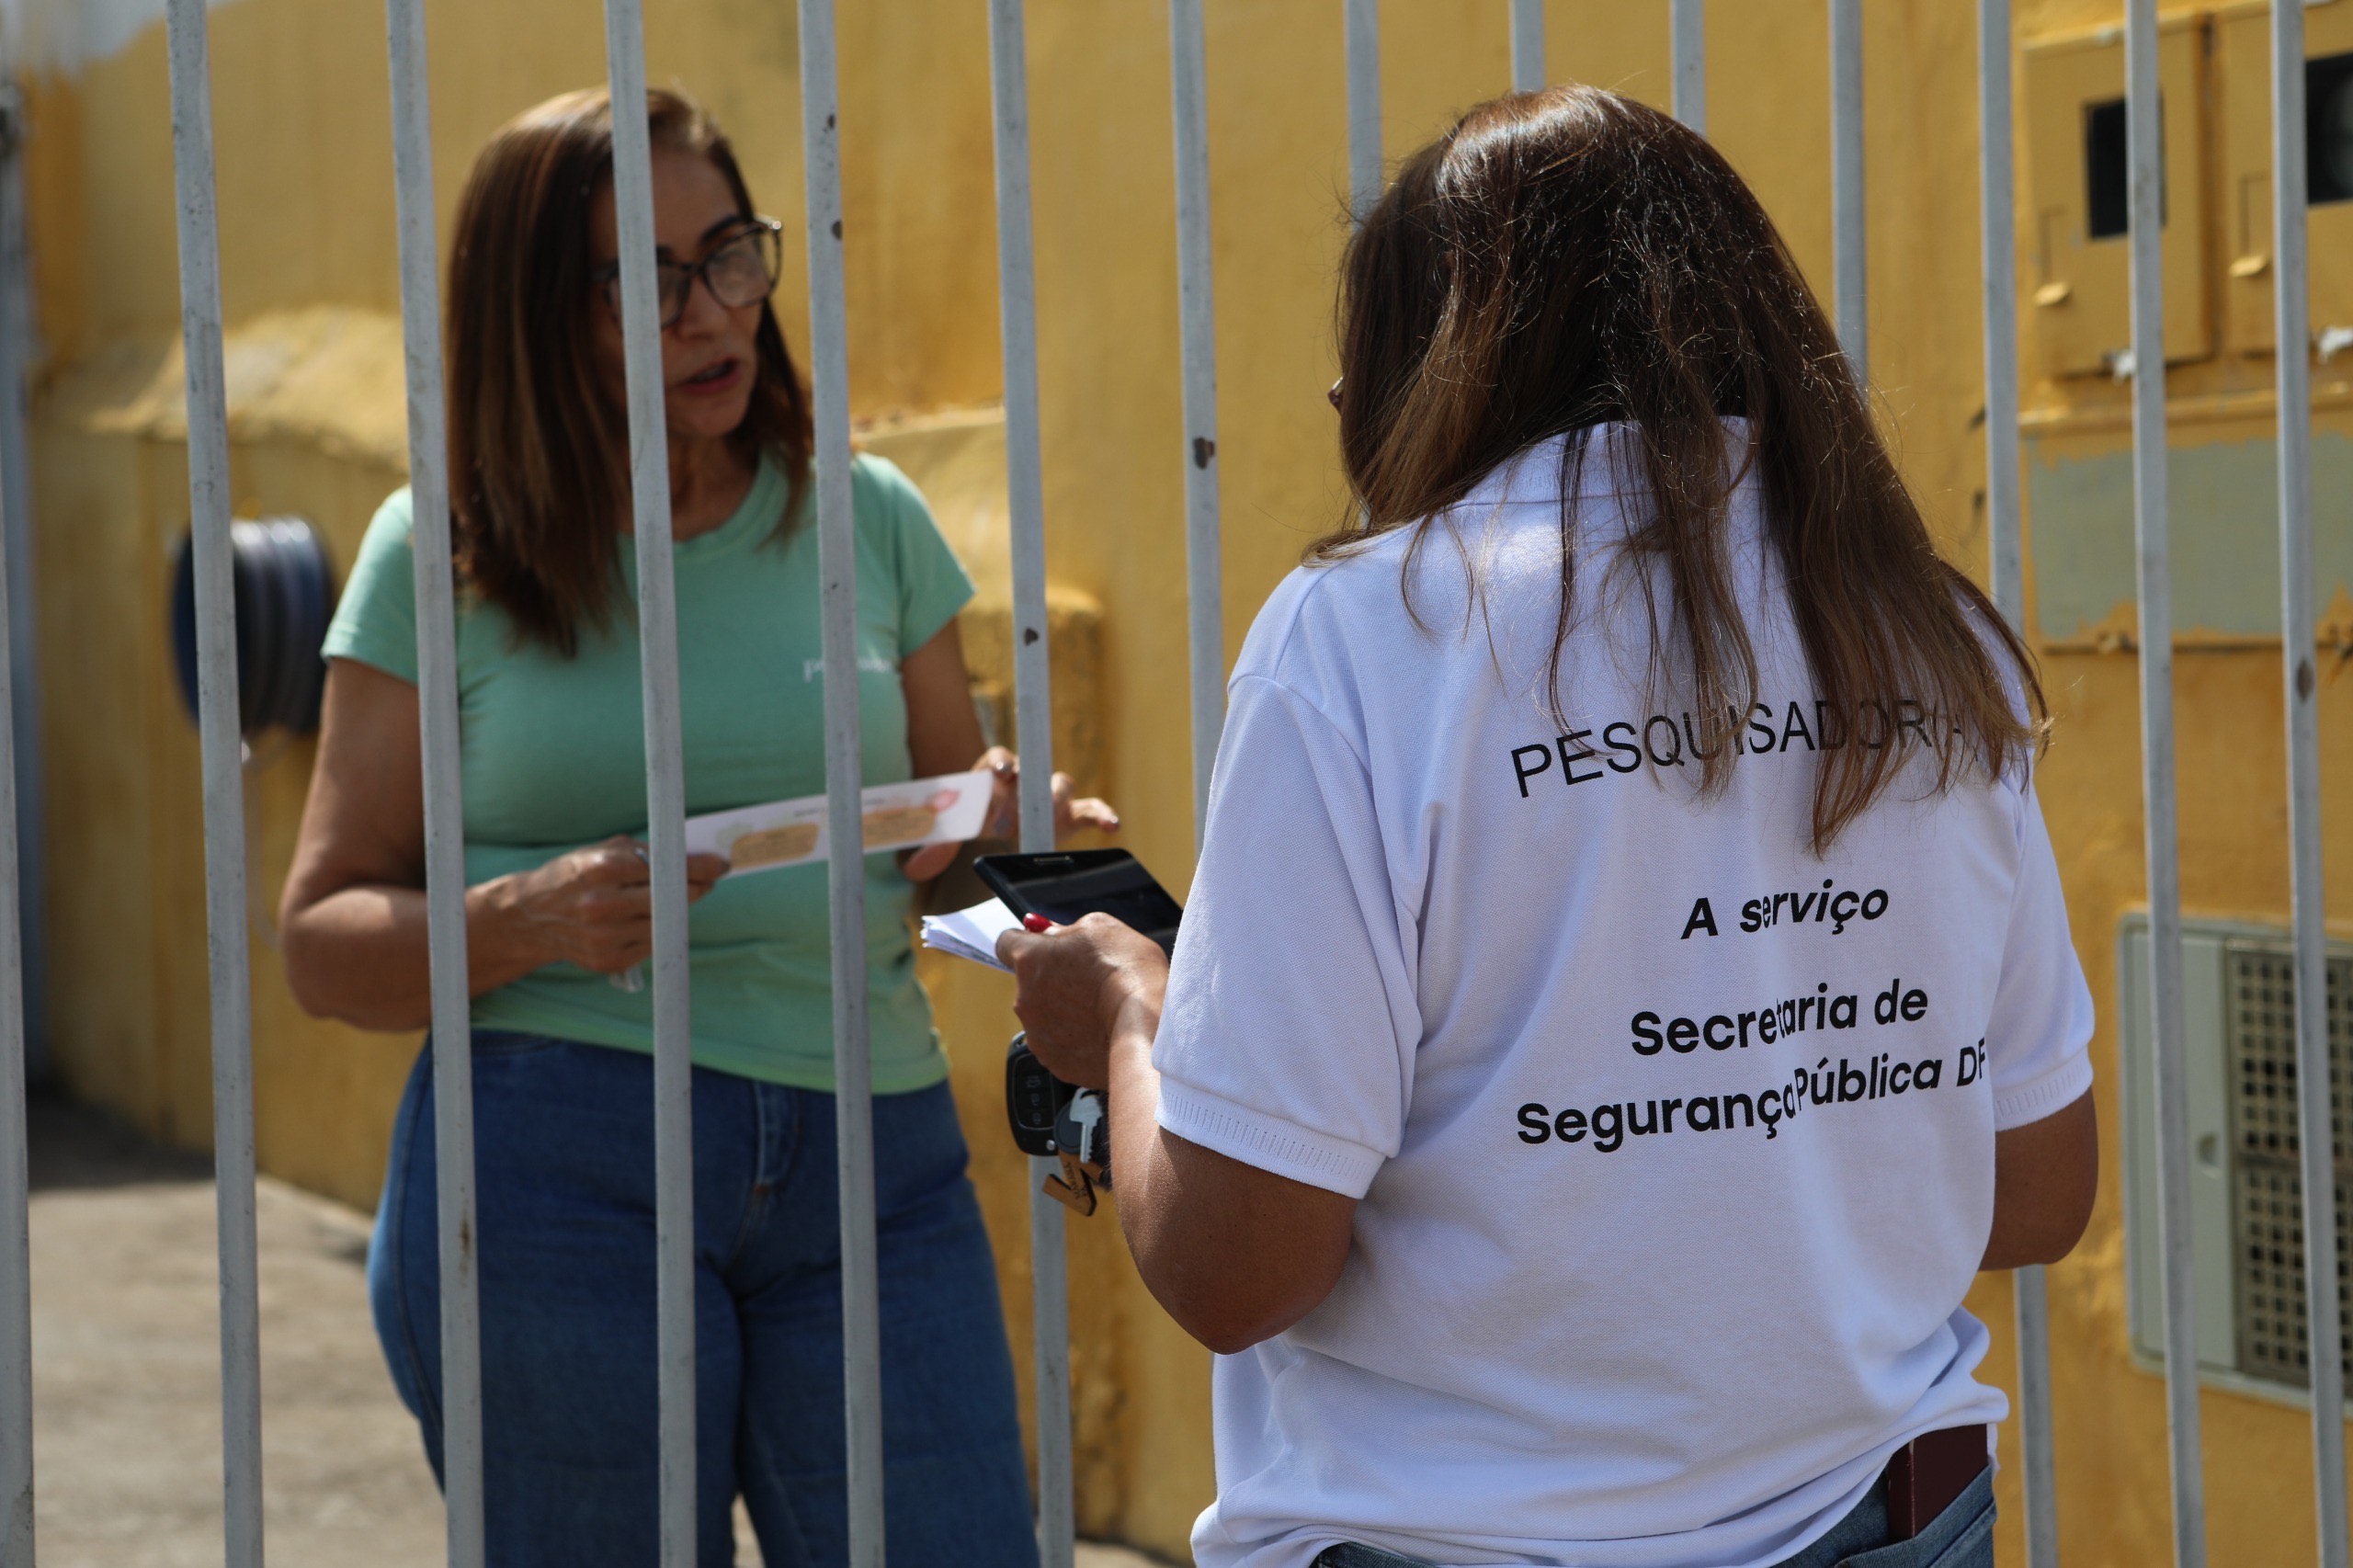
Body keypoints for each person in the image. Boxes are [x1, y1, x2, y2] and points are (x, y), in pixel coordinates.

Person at [999, 85, 2097, 1568]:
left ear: (1432, 371)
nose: (1340, 421)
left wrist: (1134, 1017)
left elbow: (1239, 1263)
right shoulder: (1922, 632)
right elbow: (2036, 1188)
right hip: (1884, 1511)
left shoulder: (1367, 636)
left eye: (1359, 369)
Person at [279, 86, 1108, 1567]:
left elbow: (954, 852)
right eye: (641, 279)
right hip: (555, 1160)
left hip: (875, 1148)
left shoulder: (868, 518)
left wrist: (1014, 825)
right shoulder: (441, 552)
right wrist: (526, 917)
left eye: (729, 252)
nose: (710, 309)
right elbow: (323, 942)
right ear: (539, 317)